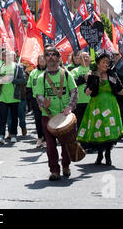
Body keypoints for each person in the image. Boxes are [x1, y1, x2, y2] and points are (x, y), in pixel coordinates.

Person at [34, 45, 78, 181]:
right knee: (50, 146)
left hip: (64, 116)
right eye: (48, 55)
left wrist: (70, 107)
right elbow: (38, 95)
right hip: (48, 116)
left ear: (59, 58)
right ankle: (54, 170)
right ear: (45, 58)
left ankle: (66, 165)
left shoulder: (66, 74)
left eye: (54, 54)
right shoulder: (41, 77)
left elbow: (74, 91)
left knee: (66, 144)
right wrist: (43, 103)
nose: (51, 57)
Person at [77, 51, 123, 166]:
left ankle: (108, 155)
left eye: (107, 62)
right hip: (96, 107)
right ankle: (99, 154)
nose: (106, 64)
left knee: (109, 129)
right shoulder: (92, 75)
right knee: (99, 129)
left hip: (111, 107)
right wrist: (92, 84)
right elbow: (87, 92)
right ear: (98, 63)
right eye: (103, 62)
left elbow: (119, 89)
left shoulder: (112, 75)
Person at [0, 50, 26, 144]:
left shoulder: (17, 67)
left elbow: (23, 80)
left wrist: (12, 80)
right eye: (4, 55)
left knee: (13, 117)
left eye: (8, 56)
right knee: (2, 118)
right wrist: (1, 80)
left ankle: (13, 135)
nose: (7, 57)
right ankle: (1, 136)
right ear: (3, 57)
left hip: (14, 97)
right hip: (2, 97)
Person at [27, 55, 46, 148]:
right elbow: (29, 87)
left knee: (47, 120)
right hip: (36, 100)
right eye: (40, 59)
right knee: (38, 119)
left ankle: (47, 139)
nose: (42, 60)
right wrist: (31, 101)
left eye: (43, 58)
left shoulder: (50, 72)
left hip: (47, 100)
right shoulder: (33, 73)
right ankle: (39, 137)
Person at [71, 51, 91, 132]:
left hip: (92, 101)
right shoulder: (75, 71)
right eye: (83, 57)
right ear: (79, 60)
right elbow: (72, 83)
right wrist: (83, 79)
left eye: (87, 56)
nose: (85, 58)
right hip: (79, 102)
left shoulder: (94, 69)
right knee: (80, 124)